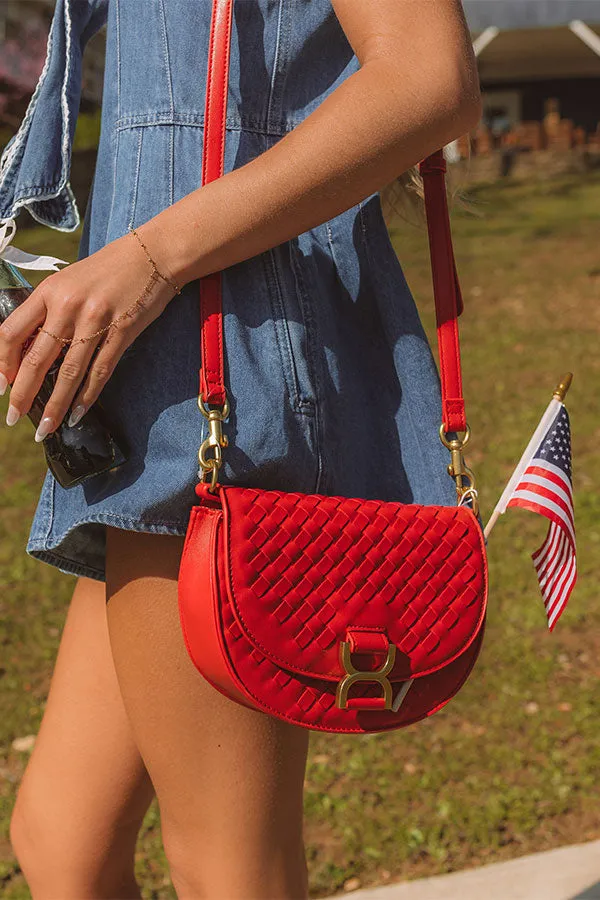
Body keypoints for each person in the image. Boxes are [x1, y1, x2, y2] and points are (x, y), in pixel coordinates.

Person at [0, 1, 481, 897]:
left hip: (223, 369)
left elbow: (429, 77)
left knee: (229, 863)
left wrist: (148, 259)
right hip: (161, 373)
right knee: (62, 836)